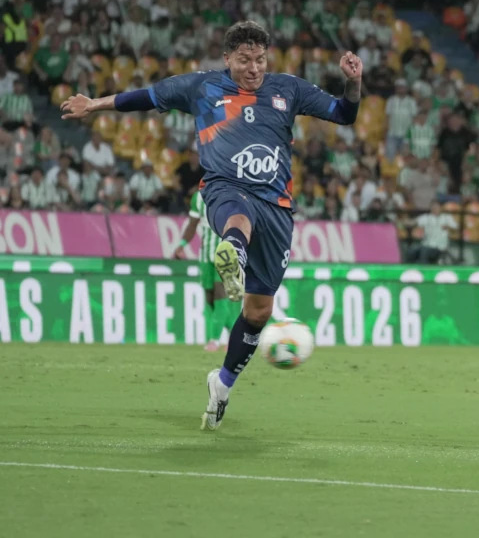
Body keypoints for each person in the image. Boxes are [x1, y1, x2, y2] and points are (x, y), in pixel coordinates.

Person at [60, 21, 363, 431]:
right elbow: (146, 97)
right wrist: (94, 104)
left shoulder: (288, 89)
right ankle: (233, 252)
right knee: (238, 219)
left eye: (259, 60)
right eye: (244, 60)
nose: (253, 68)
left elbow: (344, 114)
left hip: (276, 205)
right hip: (225, 189)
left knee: (259, 311)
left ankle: (222, 384)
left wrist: (354, 83)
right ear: (227, 59)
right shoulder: (201, 87)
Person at [174, 189, 236, 352]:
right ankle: (235, 334)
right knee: (209, 297)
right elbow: (192, 225)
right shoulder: (198, 197)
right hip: (205, 255)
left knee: (220, 294)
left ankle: (214, 340)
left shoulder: (232, 193)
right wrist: (181, 246)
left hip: (226, 253)